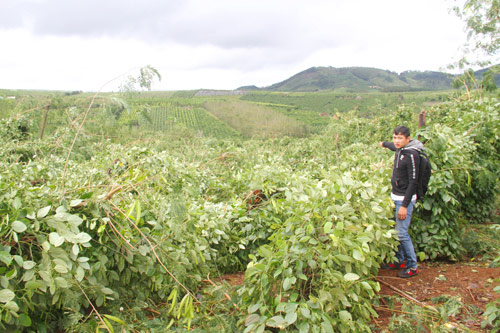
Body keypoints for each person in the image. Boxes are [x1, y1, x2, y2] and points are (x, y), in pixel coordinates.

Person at [380, 125, 424, 278]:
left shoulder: (412, 154)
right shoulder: (401, 149)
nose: (396, 141)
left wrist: (404, 206)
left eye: (400, 138)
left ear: (408, 139)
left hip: (404, 200)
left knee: (402, 233)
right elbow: (394, 147)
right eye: (395, 137)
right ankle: (399, 261)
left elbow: (414, 182)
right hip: (395, 196)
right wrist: (385, 144)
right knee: (396, 232)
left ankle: (412, 266)